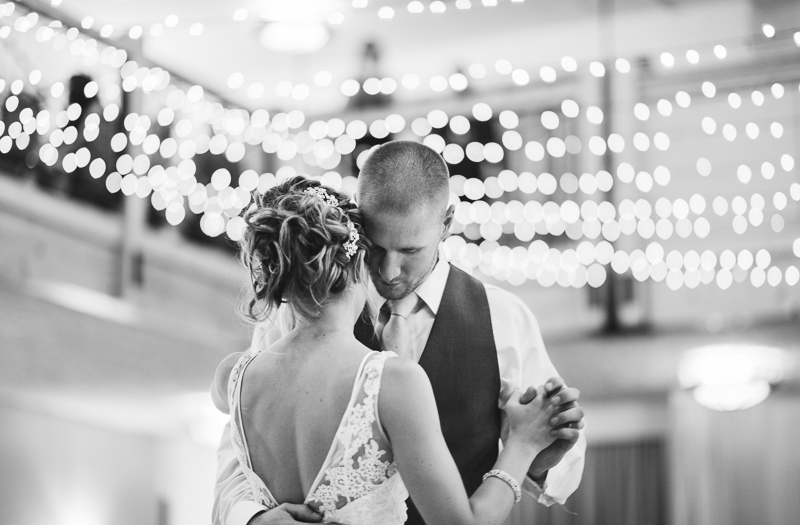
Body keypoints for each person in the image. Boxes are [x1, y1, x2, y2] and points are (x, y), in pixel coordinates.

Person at [213, 141, 586, 525]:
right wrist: (254, 520)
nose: (390, 271)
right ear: (356, 221)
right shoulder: (287, 318)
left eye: (410, 251)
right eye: (376, 247)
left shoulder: (502, 316)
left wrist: (541, 461)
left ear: (446, 223)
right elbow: (237, 458)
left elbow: (558, 463)